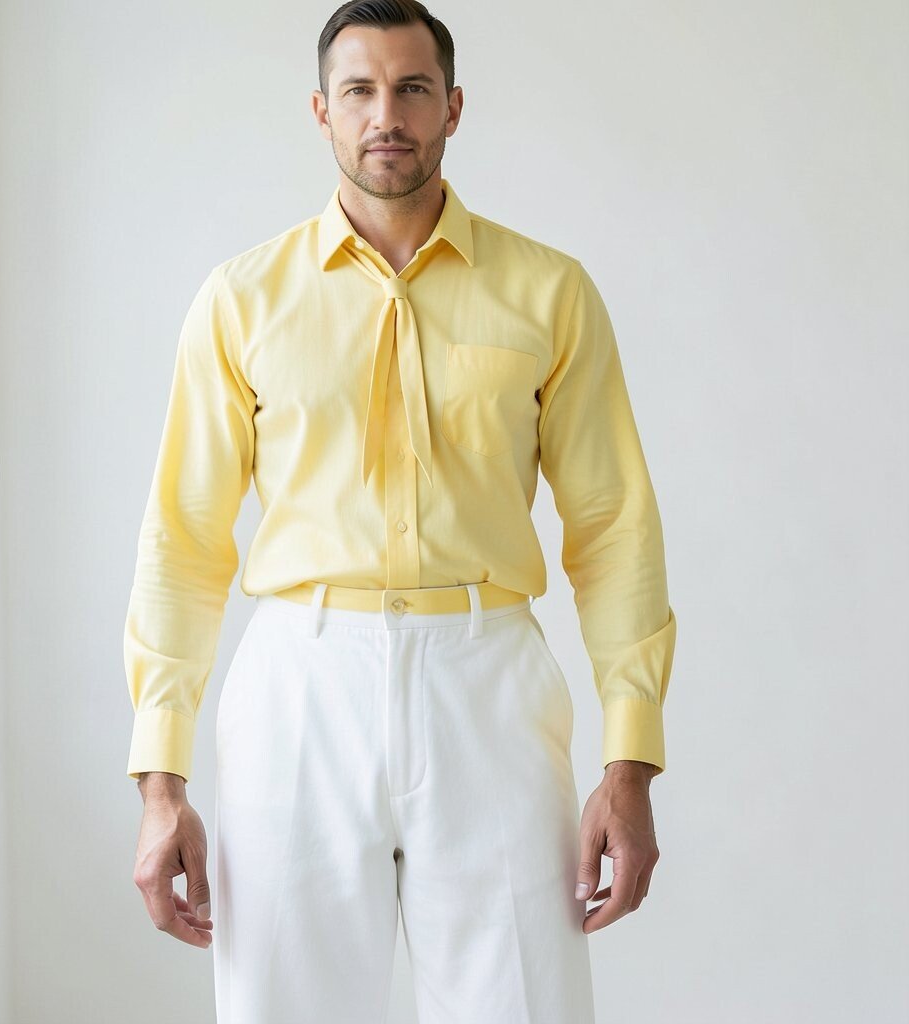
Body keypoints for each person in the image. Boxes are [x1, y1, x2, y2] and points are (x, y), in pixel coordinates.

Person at [124, 1, 677, 1021]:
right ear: (322, 112)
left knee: (521, 1003)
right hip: (299, 687)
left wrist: (629, 764)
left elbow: (613, 528)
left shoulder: (550, 293)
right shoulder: (241, 300)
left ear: (452, 107)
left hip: (489, 684)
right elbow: (183, 539)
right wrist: (162, 784)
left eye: (412, 88)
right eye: (360, 91)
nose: (387, 114)